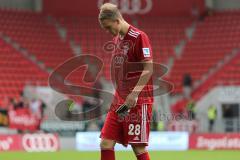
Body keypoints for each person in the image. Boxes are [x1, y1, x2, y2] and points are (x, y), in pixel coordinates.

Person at [98, 3, 153, 160]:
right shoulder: (118, 39)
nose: (109, 32)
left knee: (138, 148)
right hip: (120, 99)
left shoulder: (139, 37)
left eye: (109, 27)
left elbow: (149, 67)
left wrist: (134, 94)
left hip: (139, 99)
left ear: (117, 20)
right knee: (106, 143)